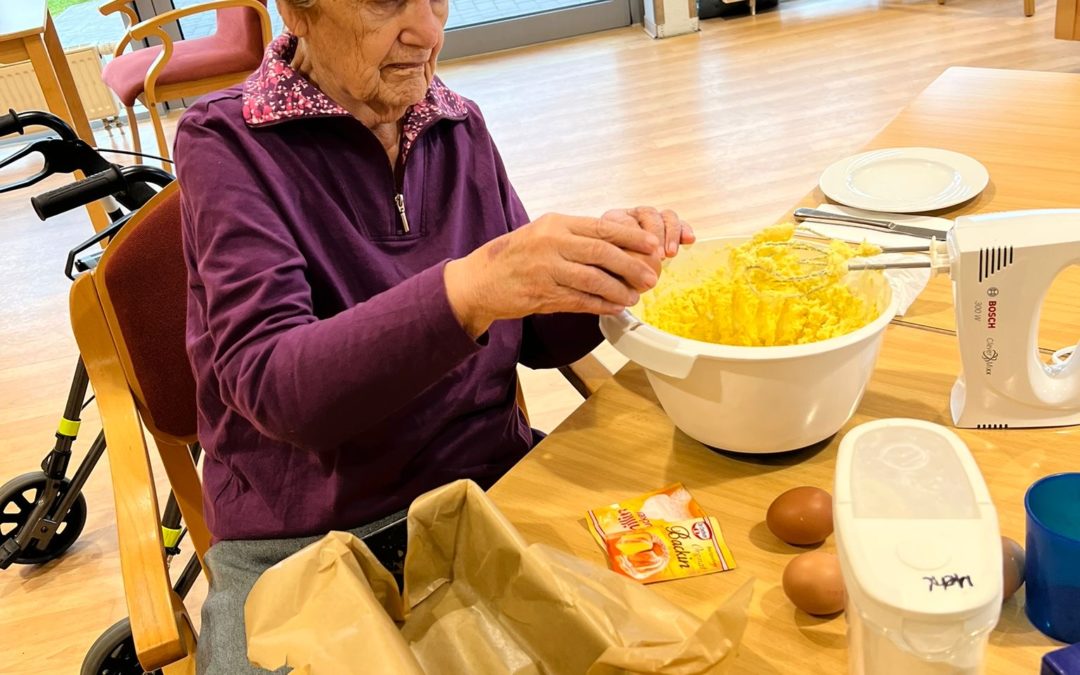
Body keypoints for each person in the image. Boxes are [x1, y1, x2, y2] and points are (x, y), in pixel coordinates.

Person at [174, 0, 694, 670]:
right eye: (386, 2)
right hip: (304, 541)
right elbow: (280, 389)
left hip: (491, 491)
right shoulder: (229, 143)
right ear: (296, 10)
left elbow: (531, 335)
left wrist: (604, 272)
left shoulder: (455, 124)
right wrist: (477, 283)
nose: (428, 31)